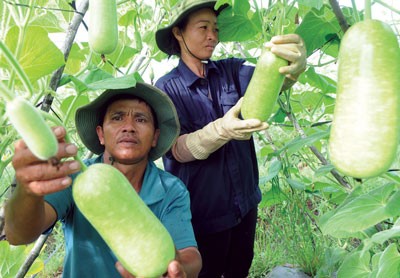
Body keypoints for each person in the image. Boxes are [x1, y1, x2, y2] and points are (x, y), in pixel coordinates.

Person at [154, 0, 307, 277]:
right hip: (204, 215)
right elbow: (176, 149)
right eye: (203, 28)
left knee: (240, 270)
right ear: (178, 33)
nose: (213, 36)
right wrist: (220, 131)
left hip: (245, 204)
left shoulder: (231, 70)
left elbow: (271, 81)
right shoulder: (166, 88)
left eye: (215, 28)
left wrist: (293, 69)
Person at [4, 82, 202, 277]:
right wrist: (28, 190)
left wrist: (179, 268)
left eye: (141, 119)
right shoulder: (75, 176)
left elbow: (190, 255)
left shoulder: (171, 189)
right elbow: (18, 234)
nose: (129, 127)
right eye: (117, 118)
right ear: (100, 134)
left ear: (155, 138)